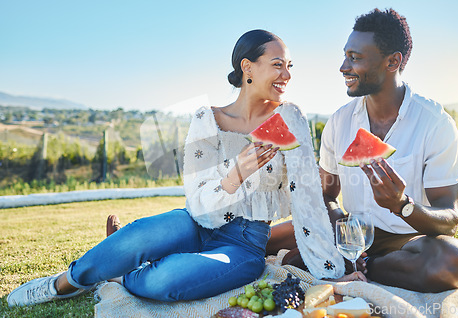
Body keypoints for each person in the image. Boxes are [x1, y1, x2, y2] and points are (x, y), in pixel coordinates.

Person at [8, 29, 363, 307]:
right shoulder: (206, 120)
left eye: (290, 66)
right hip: (196, 222)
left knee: (167, 281)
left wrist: (331, 271)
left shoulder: (291, 118)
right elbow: (197, 203)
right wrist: (235, 173)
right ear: (247, 68)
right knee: (136, 237)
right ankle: (63, 284)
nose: (287, 74)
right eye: (278, 64)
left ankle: (117, 277)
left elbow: (308, 202)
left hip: (245, 244)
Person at [267, 9, 458, 293]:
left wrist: (402, 204)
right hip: (351, 233)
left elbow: (449, 219)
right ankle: (345, 258)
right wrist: (338, 222)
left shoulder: (435, 124)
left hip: (407, 241)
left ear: (392, 61)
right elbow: (325, 194)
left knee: (454, 261)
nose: (343, 66)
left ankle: (363, 266)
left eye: (355, 58)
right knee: (266, 238)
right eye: (345, 55)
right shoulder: (339, 122)